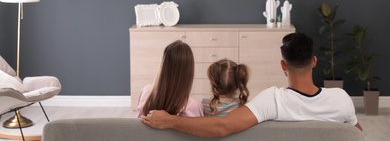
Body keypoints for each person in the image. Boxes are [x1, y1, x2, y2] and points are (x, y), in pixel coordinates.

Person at [141, 32, 362, 136]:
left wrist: (170, 120)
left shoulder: (272, 100)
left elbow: (221, 126)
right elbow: (356, 135)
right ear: (314, 61)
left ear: (283, 65)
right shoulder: (341, 99)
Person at [136, 40, 203, 118]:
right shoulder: (192, 105)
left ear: (163, 65)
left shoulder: (145, 92)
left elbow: (138, 126)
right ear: (189, 71)